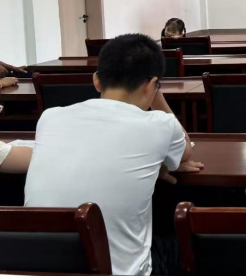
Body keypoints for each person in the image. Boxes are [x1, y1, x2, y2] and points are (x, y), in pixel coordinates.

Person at [24, 33, 203, 276]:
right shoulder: (160, 124)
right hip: (117, 272)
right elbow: (185, 152)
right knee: (183, 245)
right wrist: (157, 99)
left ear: (97, 81)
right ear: (152, 85)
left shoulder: (50, 117)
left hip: (37, 269)